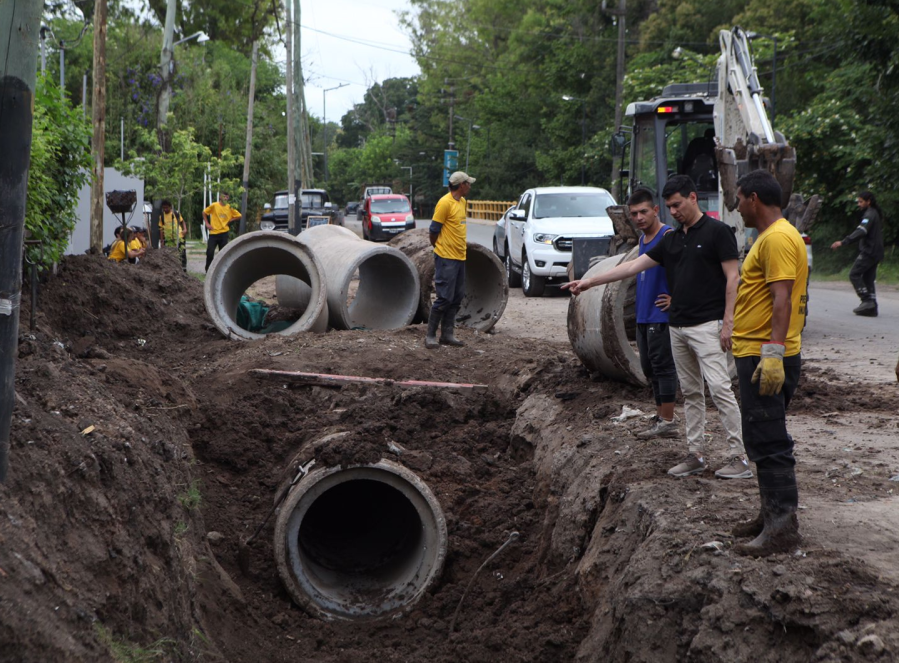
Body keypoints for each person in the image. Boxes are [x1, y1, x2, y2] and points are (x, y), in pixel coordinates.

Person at [564, 175, 749, 480]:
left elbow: (733, 278)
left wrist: (728, 322)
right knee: (690, 392)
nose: (674, 211)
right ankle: (695, 454)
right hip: (677, 327)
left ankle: (738, 456)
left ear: (693, 198)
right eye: (669, 207)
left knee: (719, 388)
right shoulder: (672, 240)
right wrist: (588, 282)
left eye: (677, 204)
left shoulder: (718, 233)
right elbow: (631, 266)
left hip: (707, 325)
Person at [730, 170, 808, 556]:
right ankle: (769, 516)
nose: (737, 206)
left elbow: (782, 298)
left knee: (769, 439)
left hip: (766, 355)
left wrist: (773, 353)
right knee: (760, 437)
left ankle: (781, 530)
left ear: (754, 198)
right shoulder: (777, 235)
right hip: (762, 352)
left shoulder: (776, 238)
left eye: (739, 198)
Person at [626, 188, 680, 440]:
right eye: (634, 213)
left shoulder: (668, 236)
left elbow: (689, 270)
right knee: (648, 368)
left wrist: (677, 299)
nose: (639, 217)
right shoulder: (641, 240)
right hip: (643, 316)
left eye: (643, 212)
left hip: (660, 317)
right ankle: (660, 416)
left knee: (663, 367)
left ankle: (668, 420)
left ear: (656, 210)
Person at [425, 171, 475, 349]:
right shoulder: (444, 203)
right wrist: (439, 248)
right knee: (444, 297)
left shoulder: (462, 202)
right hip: (446, 257)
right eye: (468, 183)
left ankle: (447, 334)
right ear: (461, 185)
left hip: (459, 256)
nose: (470, 186)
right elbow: (433, 230)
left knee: (456, 296)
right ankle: (430, 335)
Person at [830, 191, 884, 317]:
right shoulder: (873, 213)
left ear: (868, 201)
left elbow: (861, 231)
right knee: (868, 278)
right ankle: (872, 307)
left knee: (854, 274)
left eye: (861, 201)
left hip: (870, 251)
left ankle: (866, 300)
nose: (858, 204)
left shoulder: (869, 215)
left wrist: (843, 242)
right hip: (876, 251)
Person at [203, 192, 241, 272]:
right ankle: (208, 270)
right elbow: (204, 213)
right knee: (210, 252)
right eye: (224, 197)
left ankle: (221, 270)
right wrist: (207, 223)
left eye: (227, 197)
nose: (226, 198)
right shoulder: (214, 205)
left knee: (223, 253)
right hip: (213, 233)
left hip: (224, 233)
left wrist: (230, 220)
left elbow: (239, 216)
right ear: (220, 197)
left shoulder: (230, 207)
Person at [159, 200, 187, 271]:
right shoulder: (162, 216)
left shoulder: (175, 213)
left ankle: (183, 269)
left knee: (182, 253)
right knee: (170, 254)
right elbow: (161, 229)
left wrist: (185, 229)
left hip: (179, 237)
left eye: (166, 208)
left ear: (170, 207)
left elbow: (182, 221)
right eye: (163, 208)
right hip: (168, 239)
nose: (165, 209)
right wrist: (162, 240)